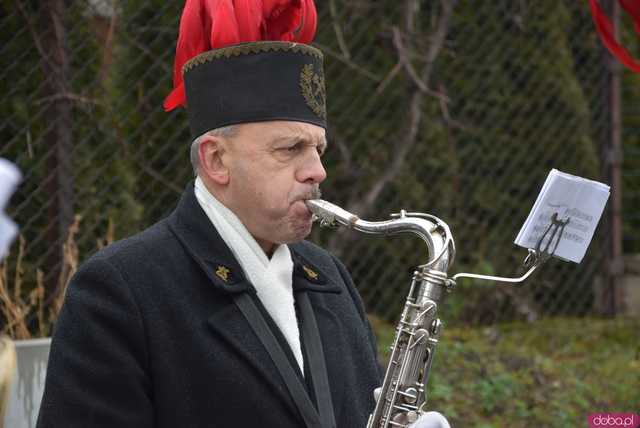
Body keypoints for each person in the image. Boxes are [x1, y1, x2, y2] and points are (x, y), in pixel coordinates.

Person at [36, 1, 449, 427]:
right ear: (216, 160)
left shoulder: (330, 277)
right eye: (290, 149)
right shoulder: (121, 290)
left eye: (318, 149)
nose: (318, 171)